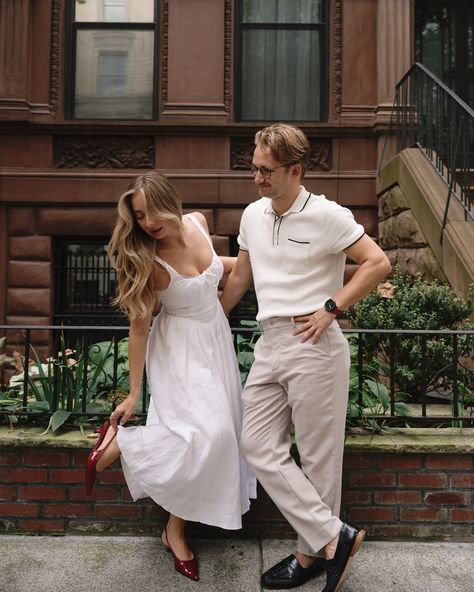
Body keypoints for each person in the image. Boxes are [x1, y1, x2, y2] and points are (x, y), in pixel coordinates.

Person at [220, 123, 392, 592]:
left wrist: (332, 309)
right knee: (256, 442)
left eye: (266, 170)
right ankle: (335, 536)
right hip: (270, 342)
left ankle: (309, 554)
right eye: (254, 168)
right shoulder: (253, 214)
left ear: (295, 170)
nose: (257, 177)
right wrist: (209, 318)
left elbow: (377, 263)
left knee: (319, 459)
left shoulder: (328, 215)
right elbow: (240, 279)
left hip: (315, 341)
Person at [85, 171, 256, 582]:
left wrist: (255, 257)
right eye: (138, 217)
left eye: (150, 212)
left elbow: (214, 270)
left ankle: (173, 530)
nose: (146, 224)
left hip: (214, 342)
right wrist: (133, 393)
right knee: (206, 434)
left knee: (219, 435)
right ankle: (124, 444)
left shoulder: (198, 221)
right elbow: (139, 327)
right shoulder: (148, 260)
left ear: (170, 201)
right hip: (178, 350)